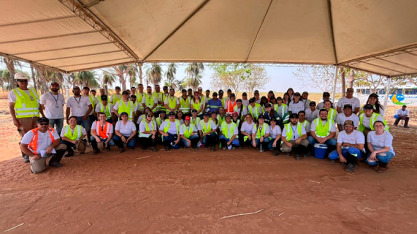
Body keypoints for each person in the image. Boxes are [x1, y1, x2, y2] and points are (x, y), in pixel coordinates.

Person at [9, 72, 44, 163]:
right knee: (25, 137)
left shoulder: (33, 91)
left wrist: (43, 115)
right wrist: (14, 119)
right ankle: (25, 155)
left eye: (25, 81)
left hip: (35, 118)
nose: (24, 83)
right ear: (17, 82)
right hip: (23, 119)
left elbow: (38, 105)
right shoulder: (14, 92)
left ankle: (35, 152)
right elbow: (11, 107)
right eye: (21, 81)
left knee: (36, 136)